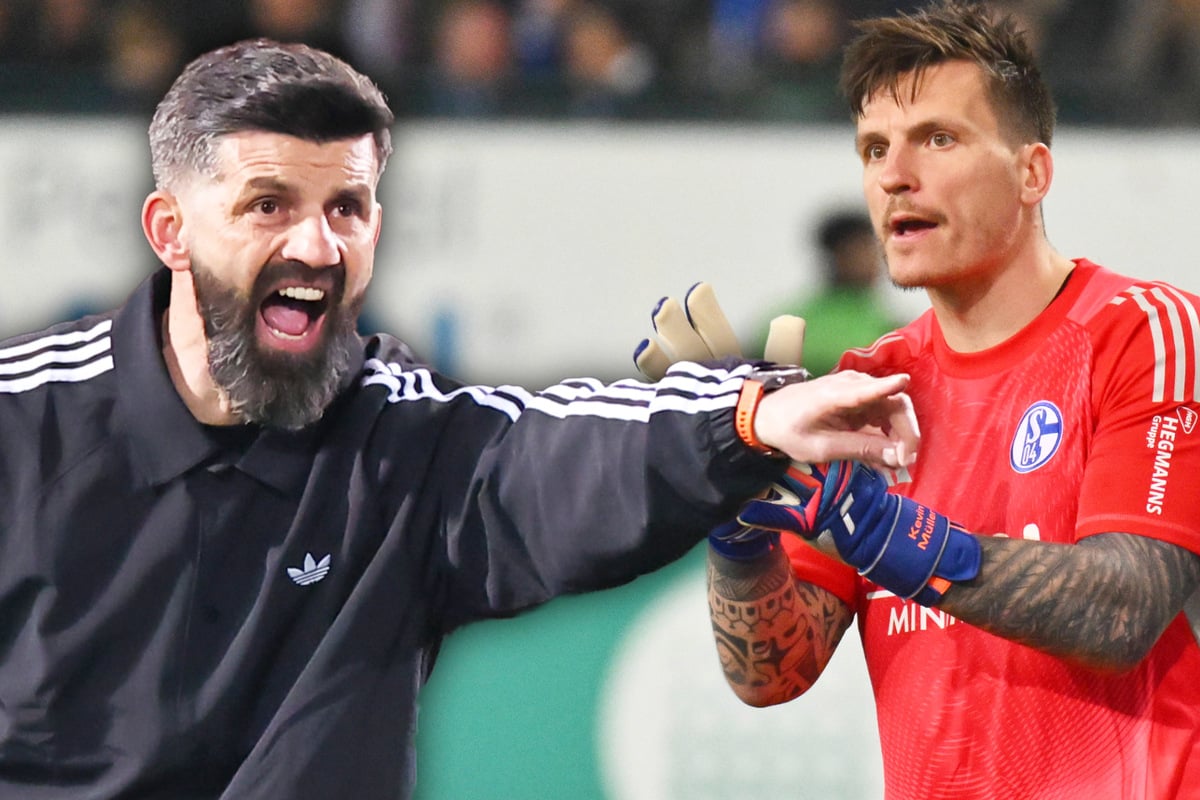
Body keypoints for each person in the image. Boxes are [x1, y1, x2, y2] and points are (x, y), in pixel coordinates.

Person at [0, 38, 921, 800]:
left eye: (346, 208)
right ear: (170, 231)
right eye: (267, 205)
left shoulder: (404, 438)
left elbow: (559, 446)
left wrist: (746, 417)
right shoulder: (20, 429)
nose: (316, 245)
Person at [689, 2, 1200, 797]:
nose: (894, 175)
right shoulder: (863, 387)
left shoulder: (1143, 331)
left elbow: (1123, 610)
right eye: (874, 148)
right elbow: (773, 673)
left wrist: (888, 534)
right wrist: (737, 532)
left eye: (938, 139)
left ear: (1032, 173)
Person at [753, 207, 899, 376]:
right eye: (862, 249)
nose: (874, 260)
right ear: (837, 255)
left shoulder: (887, 322)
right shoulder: (794, 322)